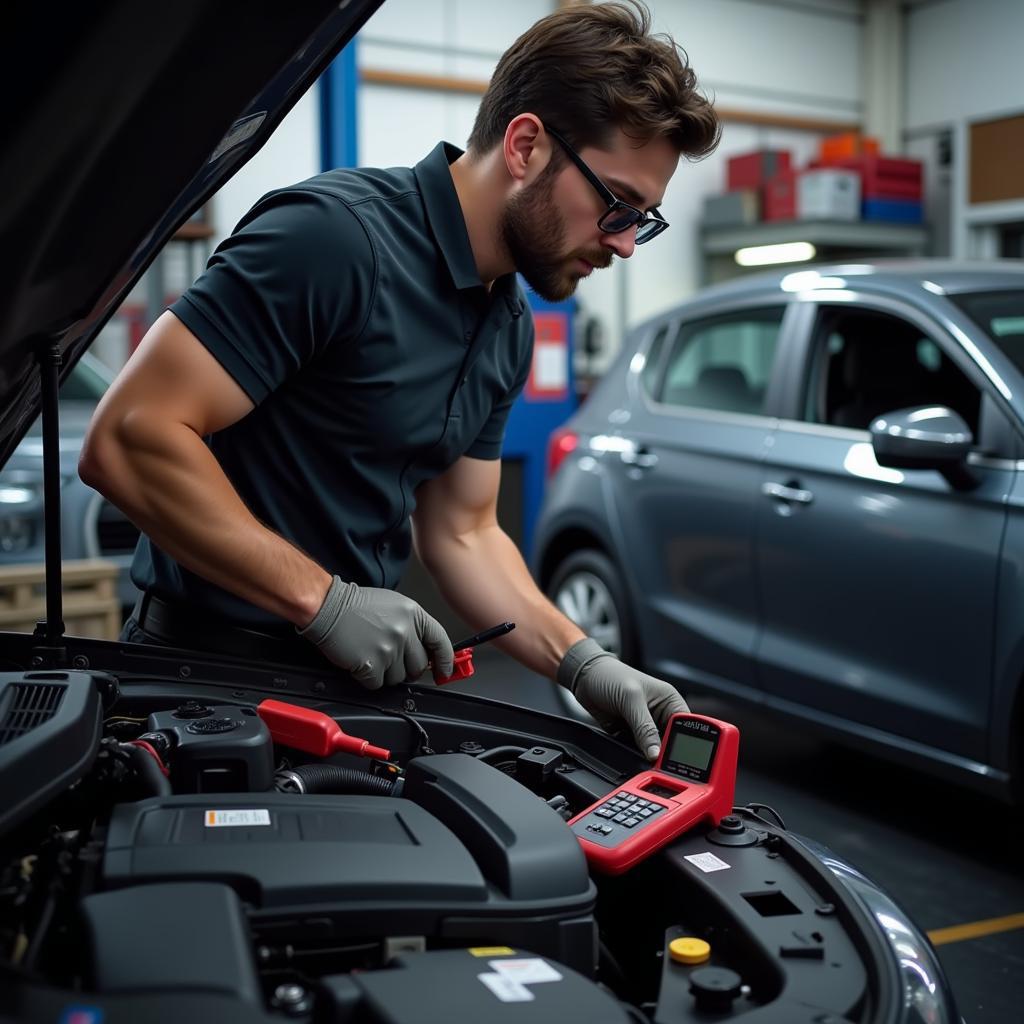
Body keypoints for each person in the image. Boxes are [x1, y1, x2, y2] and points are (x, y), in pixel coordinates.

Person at [80, 0, 720, 761]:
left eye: (642, 220)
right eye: (617, 205)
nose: (624, 245)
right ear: (524, 146)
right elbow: (128, 437)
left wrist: (584, 661)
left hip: (355, 688)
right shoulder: (335, 240)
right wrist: (324, 600)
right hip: (208, 679)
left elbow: (463, 531)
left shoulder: (507, 323)